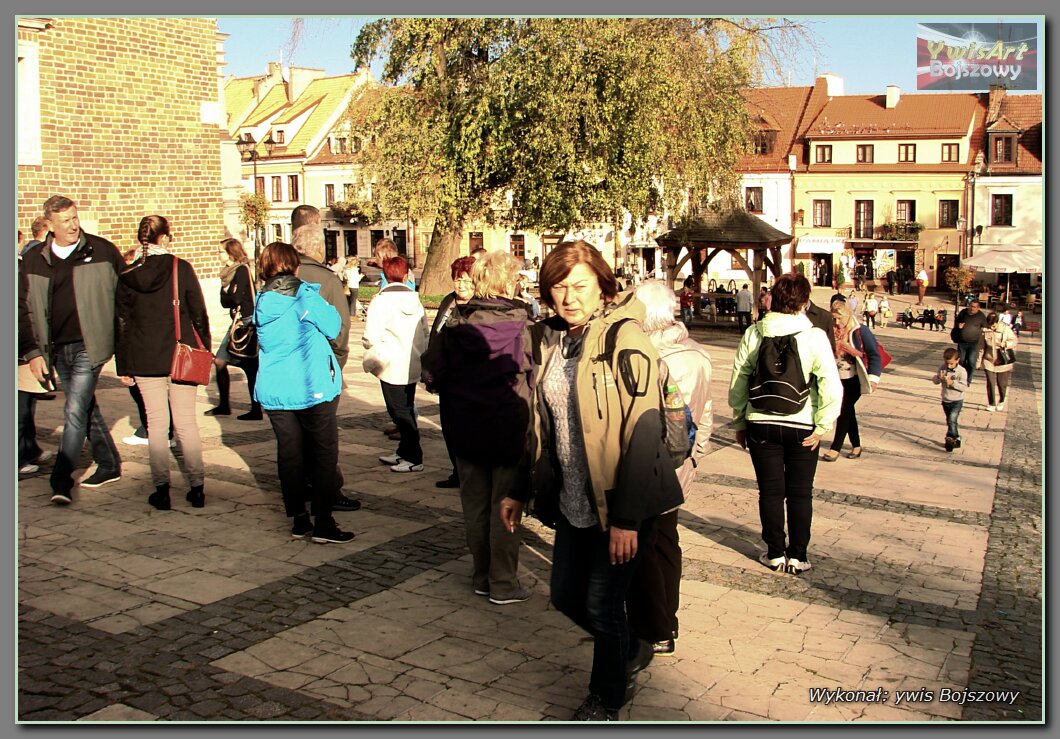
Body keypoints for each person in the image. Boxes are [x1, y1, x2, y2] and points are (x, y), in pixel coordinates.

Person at [523, 240, 684, 721]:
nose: (568, 297)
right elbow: (538, 424)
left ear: (601, 284)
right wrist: (518, 487)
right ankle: (631, 643)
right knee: (565, 596)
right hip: (576, 499)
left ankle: (606, 698)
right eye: (558, 287)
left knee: (602, 602)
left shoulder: (623, 337)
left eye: (579, 285)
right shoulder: (552, 338)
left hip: (621, 502)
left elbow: (645, 428)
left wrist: (628, 520)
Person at [421, 251, 534, 605]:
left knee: (475, 504)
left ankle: (482, 574)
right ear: (508, 282)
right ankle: (502, 581)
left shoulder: (456, 325)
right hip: (509, 428)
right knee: (507, 504)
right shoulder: (527, 327)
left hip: (466, 426)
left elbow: (433, 370)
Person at [728, 273, 842, 576]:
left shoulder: (754, 334)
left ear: (773, 299)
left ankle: (775, 551)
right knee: (801, 492)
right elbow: (831, 384)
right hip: (802, 422)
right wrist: (822, 425)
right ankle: (799, 555)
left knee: (770, 491)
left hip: (760, 421)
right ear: (804, 302)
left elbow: (739, 378)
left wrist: (740, 419)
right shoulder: (814, 336)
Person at [626, 280, 713, 658]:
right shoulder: (697, 354)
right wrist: (697, 455)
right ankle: (667, 619)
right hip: (681, 463)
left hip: (651, 464)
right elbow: (706, 412)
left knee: (645, 546)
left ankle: (656, 625)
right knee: (666, 541)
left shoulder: (646, 357)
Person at [19, 196, 125, 505]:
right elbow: (22, 309)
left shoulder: (101, 251)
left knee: (74, 410)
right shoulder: (34, 259)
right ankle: (108, 463)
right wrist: (33, 353)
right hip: (55, 348)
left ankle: (61, 479)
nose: (73, 225)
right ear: (50, 225)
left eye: (75, 217)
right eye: (65, 221)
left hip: (89, 346)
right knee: (84, 406)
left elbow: (126, 297)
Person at [254, 241, 353, 544]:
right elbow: (335, 325)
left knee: (290, 455)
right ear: (293, 267)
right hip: (313, 388)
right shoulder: (305, 298)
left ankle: (298, 518)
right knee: (323, 454)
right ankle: (323, 521)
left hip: (276, 389)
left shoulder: (261, 301)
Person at [116, 216, 210, 510]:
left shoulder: (128, 274)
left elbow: (120, 322)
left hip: (143, 358)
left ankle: (161, 489)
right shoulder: (179, 268)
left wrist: (124, 365)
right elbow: (198, 312)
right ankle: (196, 487)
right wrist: (204, 348)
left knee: (156, 425)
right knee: (185, 424)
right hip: (180, 355)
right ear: (165, 238)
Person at [289, 217, 359, 512]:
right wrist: (337, 365)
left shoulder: (281, 278)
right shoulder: (328, 280)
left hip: (288, 369)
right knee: (323, 437)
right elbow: (341, 332)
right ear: (318, 249)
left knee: (296, 438)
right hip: (319, 369)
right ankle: (328, 491)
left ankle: (301, 489)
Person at [363, 256, 429, 473]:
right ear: (405, 274)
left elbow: (370, 336)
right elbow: (425, 332)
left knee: (399, 411)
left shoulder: (380, 301)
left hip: (390, 364)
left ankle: (414, 456)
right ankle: (403, 451)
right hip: (412, 361)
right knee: (406, 407)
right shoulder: (416, 300)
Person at [426, 256, 477, 489]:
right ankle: (457, 471)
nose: (462, 285)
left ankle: (470, 473)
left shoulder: (478, 307)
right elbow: (435, 333)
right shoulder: (449, 301)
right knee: (448, 426)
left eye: (467, 280)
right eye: (458, 279)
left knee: (466, 428)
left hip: (466, 379)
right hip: (445, 375)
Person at [206, 238, 261, 420]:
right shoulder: (229, 274)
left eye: (221, 252)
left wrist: (227, 294)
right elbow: (225, 302)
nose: (218, 255)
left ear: (231, 253)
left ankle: (255, 409)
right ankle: (224, 405)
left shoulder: (241, 271)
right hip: (237, 323)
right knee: (220, 361)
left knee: (250, 366)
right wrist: (227, 295)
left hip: (245, 323)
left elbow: (235, 299)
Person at [820, 300, 881, 462]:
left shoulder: (859, 331)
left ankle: (835, 448)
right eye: (833, 319)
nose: (836, 323)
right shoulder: (829, 331)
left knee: (843, 410)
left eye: (839, 319)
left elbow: (874, 354)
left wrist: (874, 378)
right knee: (848, 411)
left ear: (847, 316)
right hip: (836, 378)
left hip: (855, 378)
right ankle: (857, 445)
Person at [979, 312, 1017, 412]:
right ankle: (991, 403)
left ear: (997, 322)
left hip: (1003, 360)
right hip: (989, 359)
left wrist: (1004, 344)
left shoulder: (1005, 329)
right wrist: (978, 362)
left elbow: (1014, 341)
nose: (992, 328)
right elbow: (981, 347)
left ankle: (1001, 400)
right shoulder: (984, 330)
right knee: (990, 382)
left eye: (994, 326)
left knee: (1001, 383)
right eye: (990, 326)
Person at [933, 347, 969, 452]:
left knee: (951, 420)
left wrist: (952, 383)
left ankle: (949, 438)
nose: (949, 366)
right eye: (947, 363)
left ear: (957, 360)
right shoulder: (942, 368)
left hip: (957, 400)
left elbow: (964, 387)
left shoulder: (961, 371)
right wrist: (938, 378)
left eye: (951, 364)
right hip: (945, 399)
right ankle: (956, 437)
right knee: (950, 421)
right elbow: (935, 381)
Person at [953, 300, 989, 385]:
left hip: (974, 343)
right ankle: (961, 378)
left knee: (971, 362)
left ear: (978, 308)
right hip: (962, 342)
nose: (972, 308)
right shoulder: (963, 313)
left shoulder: (981, 316)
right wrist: (958, 326)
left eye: (974, 307)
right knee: (961, 360)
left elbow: (985, 327)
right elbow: (956, 322)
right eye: (971, 306)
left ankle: (968, 380)